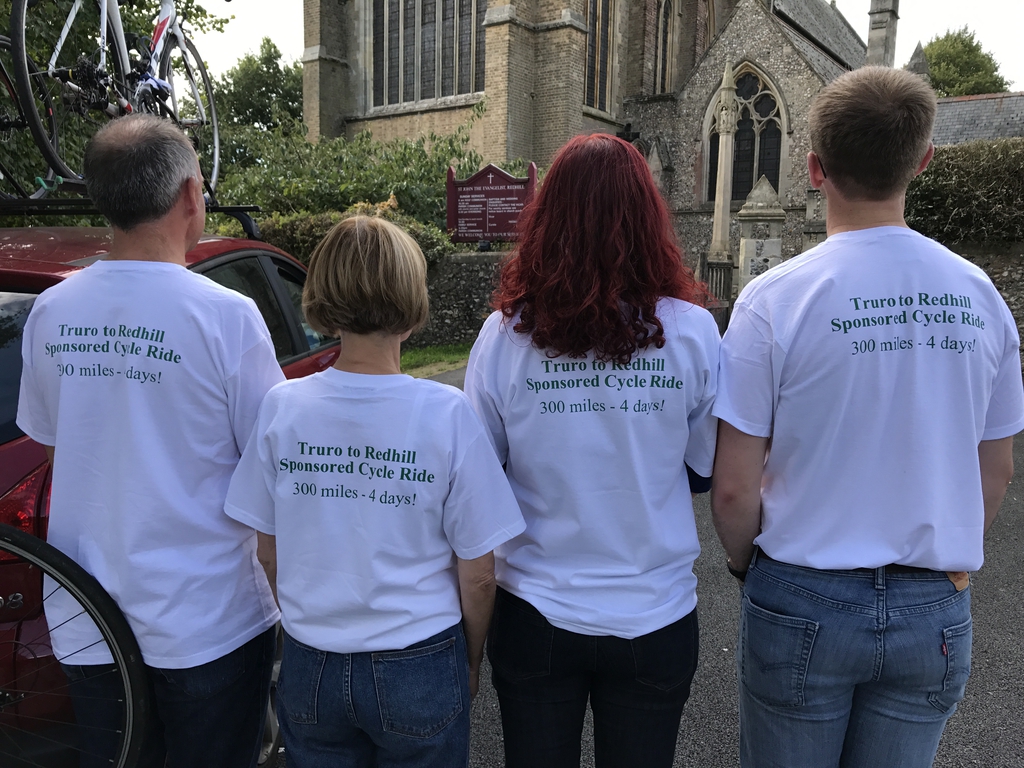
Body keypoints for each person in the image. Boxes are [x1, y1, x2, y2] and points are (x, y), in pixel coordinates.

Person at [711, 66, 1024, 768]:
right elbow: (995, 470)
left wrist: (744, 565)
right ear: (923, 161)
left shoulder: (772, 300)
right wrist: (944, 566)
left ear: (814, 168)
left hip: (803, 593)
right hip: (931, 607)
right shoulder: (980, 296)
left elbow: (733, 488)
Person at [16, 114, 282, 768]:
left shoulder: (52, 310)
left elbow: (58, 453)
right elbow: (271, 471)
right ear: (191, 195)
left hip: (91, 621)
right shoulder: (227, 316)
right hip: (209, 620)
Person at [223, 215, 525, 768]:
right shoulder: (446, 413)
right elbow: (479, 572)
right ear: (412, 308)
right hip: (419, 656)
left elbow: (267, 552)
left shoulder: (283, 408)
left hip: (313, 662)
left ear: (322, 300)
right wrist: (470, 658)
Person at [464, 134, 720, 768]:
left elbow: (480, 478)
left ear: (547, 219)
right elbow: (701, 468)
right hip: (654, 611)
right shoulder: (692, 332)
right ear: (647, 218)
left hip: (535, 607)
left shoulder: (504, 337)